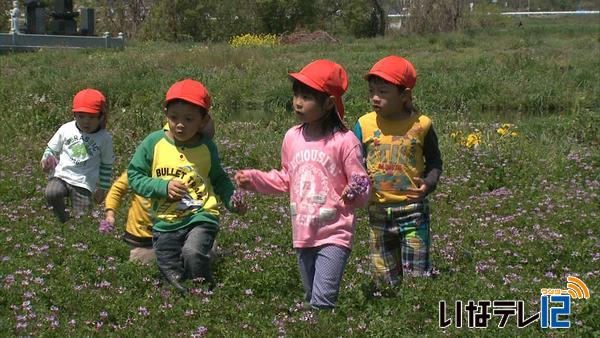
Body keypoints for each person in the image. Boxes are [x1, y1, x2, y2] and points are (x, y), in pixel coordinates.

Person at [235, 60, 370, 309]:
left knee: (322, 302)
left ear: (329, 103)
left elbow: (361, 183)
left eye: (307, 96)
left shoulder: (345, 141)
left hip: (335, 233)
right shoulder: (292, 137)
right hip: (303, 233)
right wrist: (253, 179)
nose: (298, 101)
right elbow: (286, 179)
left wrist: (353, 192)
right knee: (310, 298)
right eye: (296, 93)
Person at [128, 79, 243, 292]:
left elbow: (219, 179)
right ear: (165, 113)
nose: (180, 124)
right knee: (170, 267)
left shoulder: (206, 147)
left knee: (193, 252)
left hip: (201, 216)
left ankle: (205, 293)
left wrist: (232, 200)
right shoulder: (154, 143)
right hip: (165, 222)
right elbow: (134, 176)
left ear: (203, 120)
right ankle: (185, 299)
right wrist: (162, 187)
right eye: (174, 118)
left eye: (189, 119)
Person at [353, 55, 442, 286]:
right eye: (372, 91)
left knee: (416, 276)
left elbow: (434, 161)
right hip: (378, 210)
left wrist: (429, 184)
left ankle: (418, 314)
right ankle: (388, 307)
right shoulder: (363, 125)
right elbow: (352, 162)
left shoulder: (421, 125)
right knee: (384, 278)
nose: (375, 97)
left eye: (383, 92)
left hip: (413, 209)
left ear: (405, 96)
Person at [103, 121, 216, 265]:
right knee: (146, 263)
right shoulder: (147, 163)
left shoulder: (190, 169)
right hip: (144, 237)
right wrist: (110, 213)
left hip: (177, 230)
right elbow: (118, 188)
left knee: (200, 251)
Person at [41, 88, 114, 222]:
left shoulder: (104, 138)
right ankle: (63, 220)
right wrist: (46, 160)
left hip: (84, 183)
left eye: (92, 117)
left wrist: (102, 189)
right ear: (74, 115)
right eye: (81, 116)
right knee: (52, 192)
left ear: (101, 116)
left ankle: (77, 232)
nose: (86, 121)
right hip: (61, 176)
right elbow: (51, 149)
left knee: (83, 218)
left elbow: (106, 165)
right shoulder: (66, 129)